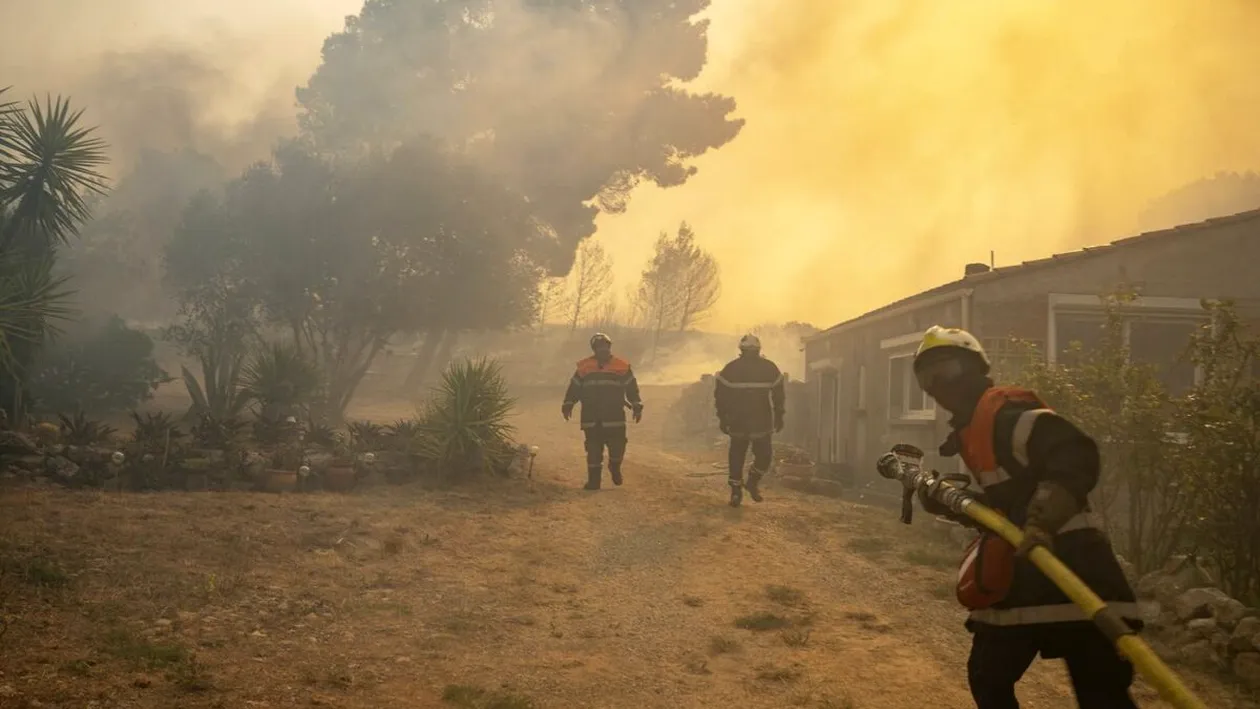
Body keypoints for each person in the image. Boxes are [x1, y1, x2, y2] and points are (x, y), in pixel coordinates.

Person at [911, 325, 1141, 709]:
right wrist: (952, 501)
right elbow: (1007, 506)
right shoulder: (974, 428)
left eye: (945, 370)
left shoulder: (1007, 414)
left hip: (1073, 568)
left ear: (973, 367)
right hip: (1025, 574)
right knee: (989, 676)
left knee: (1102, 694)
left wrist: (1042, 520)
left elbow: (1074, 453)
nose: (937, 386)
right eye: (926, 378)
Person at [562, 333, 643, 490]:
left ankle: (614, 466)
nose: (603, 350)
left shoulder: (621, 366)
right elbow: (574, 388)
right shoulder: (584, 367)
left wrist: (637, 405)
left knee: (617, 448)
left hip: (614, 417)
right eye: (599, 347)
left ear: (609, 347)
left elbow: (632, 388)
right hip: (591, 418)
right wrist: (568, 404)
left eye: (605, 346)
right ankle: (594, 482)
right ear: (594, 349)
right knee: (593, 451)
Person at [714, 334, 786, 507]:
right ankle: (736, 491)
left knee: (762, 456)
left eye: (753, 351)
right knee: (739, 456)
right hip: (743, 419)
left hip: (757, 419)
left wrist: (779, 415)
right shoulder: (732, 369)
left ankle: (751, 482)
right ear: (742, 351)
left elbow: (778, 394)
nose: (751, 355)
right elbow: (721, 397)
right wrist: (723, 417)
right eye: (749, 351)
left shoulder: (767, 368)